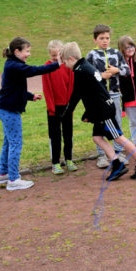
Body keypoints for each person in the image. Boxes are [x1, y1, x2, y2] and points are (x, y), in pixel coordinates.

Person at [61, 42, 136, 181]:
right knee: (97, 138)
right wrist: (89, 113)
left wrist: (68, 112)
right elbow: (93, 91)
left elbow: (77, 94)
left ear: (71, 59)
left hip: (104, 110)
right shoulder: (85, 66)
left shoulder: (81, 71)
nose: (64, 64)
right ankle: (117, 164)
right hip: (100, 109)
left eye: (64, 61)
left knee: (118, 137)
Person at [0, 37, 59, 191]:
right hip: (9, 111)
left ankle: (3, 174)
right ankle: (13, 179)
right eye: (27, 51)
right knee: (15, 143)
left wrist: (30, 96)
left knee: (9, 142)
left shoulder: (13, 65)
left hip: (4, 108)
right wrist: (58, 64)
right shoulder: (14, 66)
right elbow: (34, 70)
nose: (29, 54)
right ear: (17, 51)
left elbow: (14, 89)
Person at [86, 24, 130, 168]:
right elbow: (87, 75)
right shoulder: (91, 55)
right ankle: (102, 155)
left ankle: (118, 151)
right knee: (101, 124)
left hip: (115, 94)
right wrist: (100, 76)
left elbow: (127, 70)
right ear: (95, 40)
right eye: (101, 38)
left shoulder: (116, 53)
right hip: (99, 97)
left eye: (107, 38)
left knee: (116, 122)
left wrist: (116, 70)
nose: (105, 41)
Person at [41, 40, 77, 175]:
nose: (56, 59)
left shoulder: (67, 66)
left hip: (66, 107)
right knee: (55, 136)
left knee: (68, 134)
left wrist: (70, 106)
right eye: (53, 56)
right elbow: (47, 89)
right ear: (49, 55)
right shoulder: (46, 67)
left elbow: (71, 86)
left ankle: (69, 159)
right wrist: (51, 108)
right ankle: (55, 163)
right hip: (53, 109)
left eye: (58, 55)